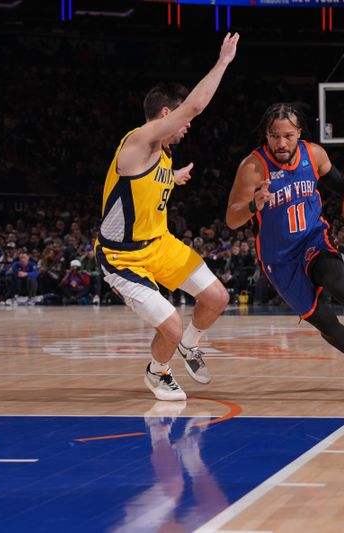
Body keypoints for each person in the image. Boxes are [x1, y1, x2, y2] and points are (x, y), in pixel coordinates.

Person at [225, 103, 344, 393]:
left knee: (337, 283)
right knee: (325, 321)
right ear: (266, 135)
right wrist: (254, 205)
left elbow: (339, 183)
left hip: (313, 238)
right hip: (278, 257)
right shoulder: (252, 167)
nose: (281, 143)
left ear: (299, 132)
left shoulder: (313, 154)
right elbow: (231, 219)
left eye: (288, 135)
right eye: (275, 136)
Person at [96, 33, 239, 401]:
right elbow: (193, 107)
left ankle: (191, 344)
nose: (188, 126)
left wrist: (172, 178)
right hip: (122, 257)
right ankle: (157, 372)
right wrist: (222, 62)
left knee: (217, 298)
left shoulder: (161, 154)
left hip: (159, 245)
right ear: (165, 115)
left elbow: (141, 191)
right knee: (170, 327)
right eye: (180, 118)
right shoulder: (139, 141)